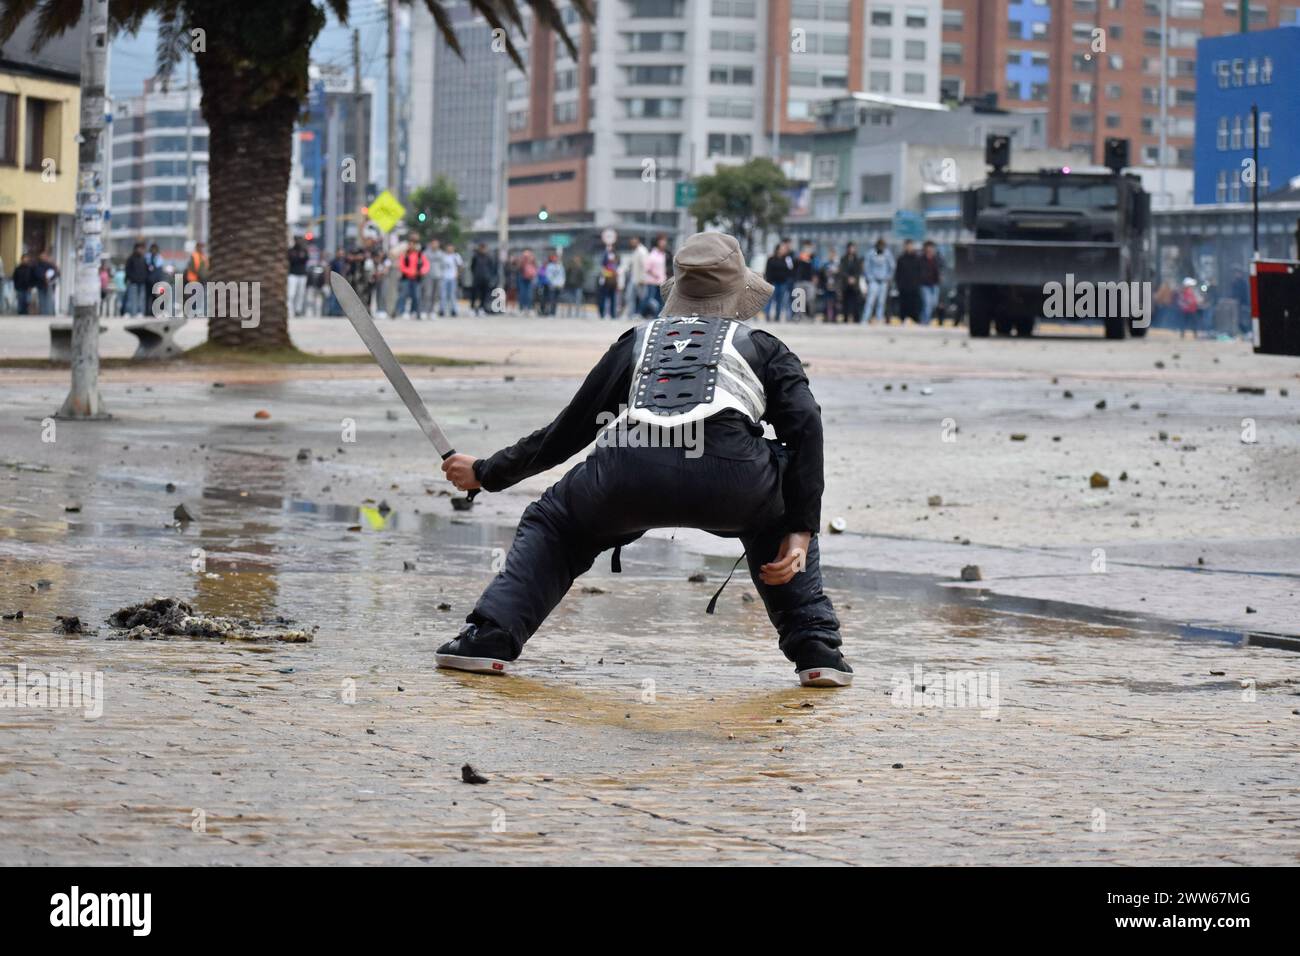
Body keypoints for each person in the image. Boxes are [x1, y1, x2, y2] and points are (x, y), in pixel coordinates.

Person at [436, 231, 851, 687]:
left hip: (628, 472)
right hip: (735, 481)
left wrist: (485, 473)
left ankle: (489, 638)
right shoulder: (765, 347)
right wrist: (800, 530)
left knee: (556, 523)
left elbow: (569, 431)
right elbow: (806, 428)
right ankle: (816, 648)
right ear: (739, 292)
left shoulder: (637, 340)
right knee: (785, 492)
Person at [396, 237, 430, 319]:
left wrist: (421, 271)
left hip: (416, 279)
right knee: (403, 295)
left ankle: (414, 311)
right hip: (406, 278)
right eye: (410, 244)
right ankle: (401, 311)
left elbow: (426, 265)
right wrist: (411, 272)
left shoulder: (419, 255)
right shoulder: (404, 255)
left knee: (416, 296)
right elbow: (401, 266)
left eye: (413, 245)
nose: (411, 246)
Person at [863, 238, 894, 324]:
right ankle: (865, 319)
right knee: (870, 301)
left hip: (883, 281)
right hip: (873, 281)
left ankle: (879, 319)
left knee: (881, 302)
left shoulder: (887, 253)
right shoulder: (871, 253)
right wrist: (869, 278)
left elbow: (892, 266)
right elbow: (866, 266)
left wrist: (888, 277)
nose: (881, 247)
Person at [893, 239, 924, 324]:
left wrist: (918, 282)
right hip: (903, 286)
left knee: (914, 304)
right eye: (907, 246)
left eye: (910, 246)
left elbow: (920, 271)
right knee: (903, 304)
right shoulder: (901, 259)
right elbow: (897, 272)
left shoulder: (917, 258)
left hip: (914, 286)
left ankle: (916, 319)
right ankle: (903, 318)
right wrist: (898, 284)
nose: (909, 247)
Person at [763, 238, 793, 322]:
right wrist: (767, 281)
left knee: (780, 300)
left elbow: (790, 270)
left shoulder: (787, 259)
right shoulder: (771, 259)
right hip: (772, 282)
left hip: (782, 282)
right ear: (777, 249)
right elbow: (767, 271)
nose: (784, 250)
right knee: (770, 300)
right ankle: (767, 316)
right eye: (782, 248)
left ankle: (777, 317)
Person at [640, 234, 668, 316]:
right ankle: (640, 313)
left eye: (665, 241)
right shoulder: (652, 254)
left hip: (661, 281)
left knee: (660, 300)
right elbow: (647, 268)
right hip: (652, 281)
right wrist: (655, 274)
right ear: (658, 242)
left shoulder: (663, 254)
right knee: (649, 299)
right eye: (662, 241)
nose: (664, 243)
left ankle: (658, 316)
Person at [621, 236, 647, 318]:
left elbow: (645, 266)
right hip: (634, 278)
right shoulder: (636, 251)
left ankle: (641, 313)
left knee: (642, 298)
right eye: (631, 242)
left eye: (633, 241)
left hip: (640, 279)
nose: (632, 243)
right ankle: (631, 314)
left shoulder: (642, 251)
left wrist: (643, 278)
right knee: (630, 297)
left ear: (637, 241)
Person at [791, 240, 816, 321]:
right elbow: (793, 266)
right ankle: (799, 316)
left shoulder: (814, 258)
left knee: (810, 298)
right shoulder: (798, 257)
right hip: (799, 280)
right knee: (798, 300)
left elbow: (817, 269)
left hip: (809, 282)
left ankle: (810, 315)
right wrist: (800, 259)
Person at [919, 240, 942, 325]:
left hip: (935, 284)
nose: (930, 249)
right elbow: (918, 271)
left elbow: (942, 268)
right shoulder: (921, 259)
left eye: (931, 247)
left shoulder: (937, 258)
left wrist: (940, 276)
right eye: (928, 247)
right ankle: (925, 321)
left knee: (934, 304)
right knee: (927, 303)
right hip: (924, 285)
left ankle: (924, 318)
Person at [839, 241, 863, 323]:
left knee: (856, 302)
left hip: (855, 285)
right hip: (846, 284)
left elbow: (859, 271)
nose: (851, 249)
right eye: (850, 248)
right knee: (846, 302)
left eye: (853, 248)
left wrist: (854, 278)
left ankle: (856, 318)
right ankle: (845, 318)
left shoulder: (857, 259)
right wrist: (848, 278)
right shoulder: (843, 259)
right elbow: (842, 270)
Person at [469, 242, 496, 315]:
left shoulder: (489, 257)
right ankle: (472, 308)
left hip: (486, 279)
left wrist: (489, 276)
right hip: (477, 278)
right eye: (482, 248)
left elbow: (491, 268)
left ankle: (482, 308)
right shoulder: (475, 256)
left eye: (484, 248)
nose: (483, 250)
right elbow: (472, 267)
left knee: (484, 295)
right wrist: (475, 274)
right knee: (474, 294)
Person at [184, 242, 210, 315]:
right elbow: (192, 267)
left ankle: (197, 311)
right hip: (194, 279)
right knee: (193, 296)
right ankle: (192, 311)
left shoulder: (204, 256)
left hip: (201, 280)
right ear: (197, 247)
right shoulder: (194, 256)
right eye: (200, 247)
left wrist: (205, 276)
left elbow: (206, 268)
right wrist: (200, 275)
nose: (201, 248)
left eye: (202, 247)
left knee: (199, 296)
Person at [124, 243, 150, 316]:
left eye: (142, 249)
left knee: (141, 299)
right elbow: (127, 270)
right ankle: (130, 312)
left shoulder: (143, 259)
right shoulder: (131, 259)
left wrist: (145, 278)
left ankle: (140, 312)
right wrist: (132, 278)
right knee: (132, 298)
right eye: (140, 248)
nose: (141, 250)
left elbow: (147, 270)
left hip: (142, 282)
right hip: (133, 282)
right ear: (136, 249)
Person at [817, 246, 840, 323]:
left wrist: (837, 272)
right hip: (827, 286)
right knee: (826, 303)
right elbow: (821, 274)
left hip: (835, 287)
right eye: (830, 254)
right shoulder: (825, 264)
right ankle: (826, 317)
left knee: (835, 303)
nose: (831, 256)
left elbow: (840, 275)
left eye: (833, 254)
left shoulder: (838, 265)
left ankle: (834, 318)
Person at [440, 243, 463, 317]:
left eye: (451, 248)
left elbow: (460, 266)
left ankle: (454, 310)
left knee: (452, 295)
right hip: (444, 277)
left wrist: (458, 274)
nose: (450, 249)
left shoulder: (456, 256)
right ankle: (442, 310)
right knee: (443, 295)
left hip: (452, 278)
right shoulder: (443, 256)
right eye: (448, 248)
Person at [597, 243, 620, 319]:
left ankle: (613, 314)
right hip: (605, 281)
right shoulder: (604, 255)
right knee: (603, 298)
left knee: (613, 298)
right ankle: (602, 314)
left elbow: (618, 267)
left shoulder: (616, 256)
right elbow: (602, 266)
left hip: (613, 281)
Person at [287, 238, 309, 317]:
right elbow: (292, 259)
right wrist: (299, 257)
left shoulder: (304, 250)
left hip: (302, 275)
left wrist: (299, 257)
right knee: (291, 293)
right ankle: (289, 310)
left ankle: (298, 310)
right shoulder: (291, 250)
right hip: (292, 274)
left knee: (300, 294)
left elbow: (306, 259)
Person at [517, 248, 538, 314]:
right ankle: (522, 308)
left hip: (530, 278)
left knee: (529, 294)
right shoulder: (521, 260)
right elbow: (518, 268)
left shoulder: (533, 260)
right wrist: (522, 261)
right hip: (522, 278)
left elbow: (535, 268)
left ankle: (529, 308)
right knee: (522, 294)